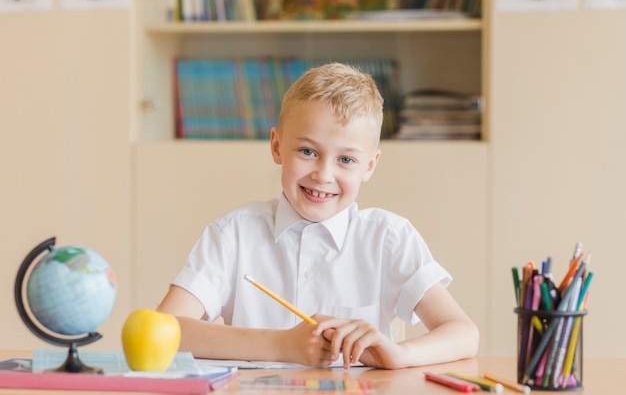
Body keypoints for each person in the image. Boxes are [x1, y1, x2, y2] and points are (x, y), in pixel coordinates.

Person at [156, 62, 479, 369]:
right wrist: (283, 345)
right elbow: (165, 330)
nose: (323, 175)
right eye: (308, 152)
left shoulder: (389, 237)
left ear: (370, 165)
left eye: (346, 160)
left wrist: (398, 354)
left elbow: (464, 333)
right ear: (277, 146)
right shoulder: (233, 234)